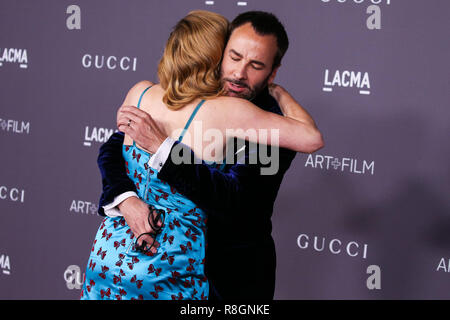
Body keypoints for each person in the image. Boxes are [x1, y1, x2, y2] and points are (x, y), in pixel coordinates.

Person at [94, 11, 324, 300]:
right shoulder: (187, 100)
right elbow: (113, 149)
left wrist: (279, 94)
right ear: (219, 54)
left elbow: (236, 204)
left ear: (272, 72)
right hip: (149, 261)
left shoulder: (271, 123)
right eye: (235, 57)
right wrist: (127, 201)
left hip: (231, 279)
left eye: (255, 65)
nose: (239, 74)